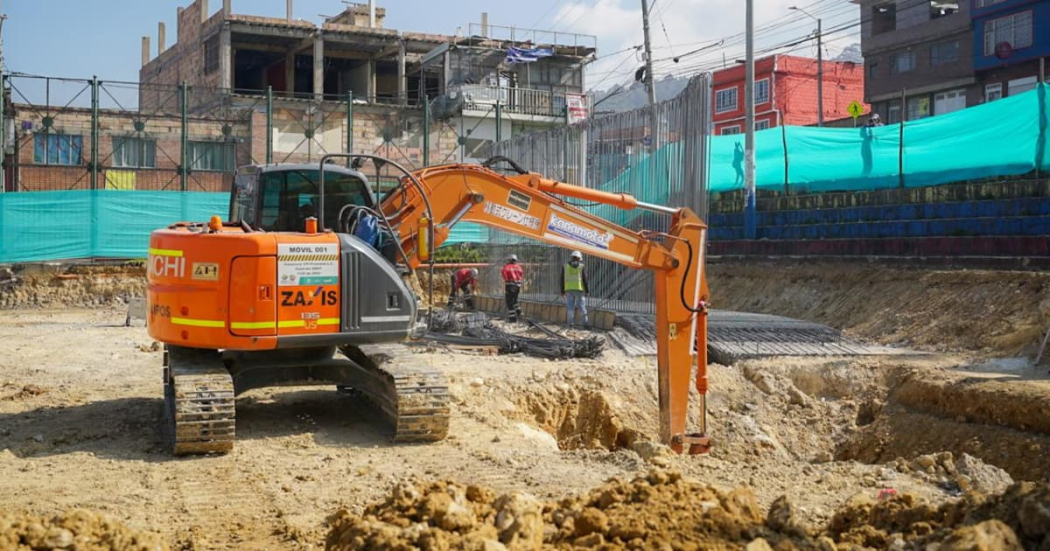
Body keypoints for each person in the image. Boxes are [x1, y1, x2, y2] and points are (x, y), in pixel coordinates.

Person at [560, 251, 589, 328]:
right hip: (579, 289)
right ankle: (585, 324)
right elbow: (584, 279)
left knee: (570, 307)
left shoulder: (565, 266)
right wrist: (587, 290)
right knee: (582, 307)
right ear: (580, 259)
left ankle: (570, 324)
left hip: (568, 289)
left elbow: (562, 279)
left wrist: (562, 291)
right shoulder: (581, 266)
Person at [501, 254, 524, 322]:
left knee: (509, 302)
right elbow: (521, 274)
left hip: (510, 285)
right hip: (518, 285)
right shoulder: (519, 267)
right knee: (515, 301)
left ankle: (512, 318)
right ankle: (519, 313)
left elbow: (504, 274)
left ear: (510, 260)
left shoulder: (507, 267)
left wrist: (507, 279)